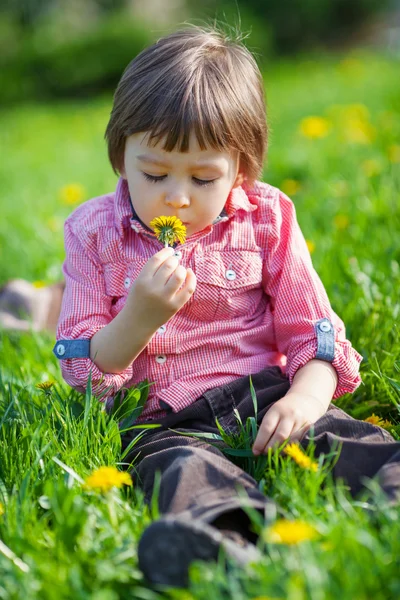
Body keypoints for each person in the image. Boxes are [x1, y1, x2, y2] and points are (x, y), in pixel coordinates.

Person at [3, 24, 400, 588]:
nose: (178, 196)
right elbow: (82, 373)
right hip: (164, 417)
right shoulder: (93, 232)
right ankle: (222, 540)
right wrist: (138, 318)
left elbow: (312, 329)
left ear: (242, 167)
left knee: (345, 439)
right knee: (181, 472)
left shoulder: (267, 218)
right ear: (121, 159)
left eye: (204, 177)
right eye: (155, 173)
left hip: (263, 393)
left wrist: (308, 396)